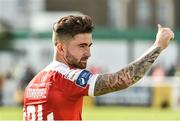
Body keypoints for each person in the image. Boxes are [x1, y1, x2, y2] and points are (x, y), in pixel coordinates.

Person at [23, 15, 174, 120]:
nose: (88, 53)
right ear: (61, 48)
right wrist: (158, 46)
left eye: (89, 46)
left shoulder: (33, 84)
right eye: (82, 46)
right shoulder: (64, 77)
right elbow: (122, 80)